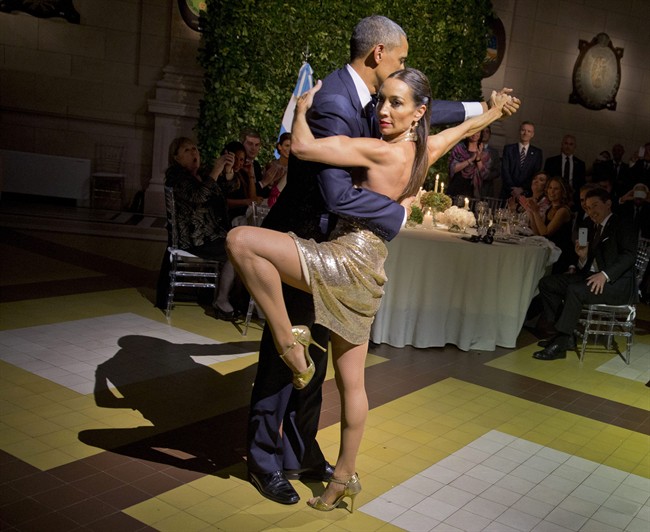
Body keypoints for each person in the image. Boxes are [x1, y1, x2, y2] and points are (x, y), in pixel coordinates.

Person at [241, 15, 520, 508]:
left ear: (412, 111)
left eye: (400, 100)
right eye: (402, 57)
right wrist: (395, 212)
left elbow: (436, 110)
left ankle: (302, 454)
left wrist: (487, 107)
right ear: (379, 54)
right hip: (316, 243)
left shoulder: (377, 105)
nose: (400, 72)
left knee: (320, 366)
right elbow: (333, 193)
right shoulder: (338, 104)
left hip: (342, 255)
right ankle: (267, 461)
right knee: (285, 368)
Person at [533, 187, 637, 360]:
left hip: (617, 284)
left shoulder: (622, 223)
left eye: (595, 205)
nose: (591, 211)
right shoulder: (591, 226)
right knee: (548, 283)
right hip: (592, 277)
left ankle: (561, 341)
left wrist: (605, 275)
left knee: (575, 290)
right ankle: (566, 334)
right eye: (588, 208)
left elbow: (629, 255)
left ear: (608, 204)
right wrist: (583, 257)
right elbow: (588, 264)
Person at [162, 137, 238, 319]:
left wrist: (227, 172)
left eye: (195, 148)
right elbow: (198, 196)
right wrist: (216, 171)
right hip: (194, 237)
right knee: (235, 250)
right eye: (187, 150)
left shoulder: (202, 175)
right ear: (176, 158)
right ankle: (222, 299)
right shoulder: (177, 177)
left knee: (240, 243)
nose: (193, 152)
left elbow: (228, 190)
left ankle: (233, 298)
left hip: (210, 233)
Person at [519, 176, 573, 274]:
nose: (552, 192)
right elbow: (538, 233)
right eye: (550, 188)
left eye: (556, 189)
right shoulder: (550, 208)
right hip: (548, 250)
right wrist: (530, 211)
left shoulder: (563, 211)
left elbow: (545, 233)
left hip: (559, 254)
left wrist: (535, 212)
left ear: (563, 192)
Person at [218, 140, 262, 224]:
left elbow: (253, 198)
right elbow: (221, 201)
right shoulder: (219, 174)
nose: (238, 163)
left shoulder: (241, 173)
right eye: (235, 158)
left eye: (241, 160)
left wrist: (250, 175)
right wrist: (246, 201)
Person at [501, 121, 543, 199]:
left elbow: (535, 174)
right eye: (523, 130)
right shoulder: (508, 149)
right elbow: (505, 170)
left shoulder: (537, 153)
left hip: (526, 195)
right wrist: (513, 189)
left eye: (529, 131)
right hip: (508, 193)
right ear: (519, 131)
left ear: (532, 134)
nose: (525, 133)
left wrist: (522, 189)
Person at [543, 134, 586, 210]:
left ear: (575, 147)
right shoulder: (551, 161)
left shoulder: (580, 164)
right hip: (554, 198)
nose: (568, 146)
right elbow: (547, 181)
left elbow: (581, 183)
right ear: (562, 144)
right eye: (566, 143)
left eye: (571, 144)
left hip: (573, 200)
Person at [446, 131, 489, 199]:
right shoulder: (459, 148)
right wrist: (471, 159)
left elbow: (485, 174)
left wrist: (478, 158)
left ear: (480, 134)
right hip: (457, 184)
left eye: (478, 132)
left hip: (473, 189)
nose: (475, 134)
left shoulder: (484, 152)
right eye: (473, 131)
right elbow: (453, 168)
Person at [265, 133, 291, 208]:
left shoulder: (295, 168)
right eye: (287, 146)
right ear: (279, 146)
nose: (289, 149)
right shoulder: (271, 166)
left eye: (292, 146)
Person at [480, 125, 501, 198]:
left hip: (487, 188)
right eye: (482, 131)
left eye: (487, 132)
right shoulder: (472, 149)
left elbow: (497, 171)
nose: (484, 134)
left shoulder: (494, 152)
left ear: (490, 135)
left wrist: (486, 176)